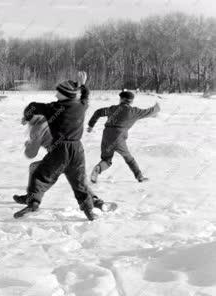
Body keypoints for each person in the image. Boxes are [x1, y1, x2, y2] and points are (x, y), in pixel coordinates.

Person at [14, 71, 96, 220]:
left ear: (64, 94)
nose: (55, 94)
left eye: (58, 92)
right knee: (78, 182)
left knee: (40, 175)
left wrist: (27, 117)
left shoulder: (53, 108)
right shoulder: (81, 106)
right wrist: (82, 85)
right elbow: (85, 97)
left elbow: (32, 106)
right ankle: (89, 210)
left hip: (60, 150)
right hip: (77, 150)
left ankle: (33, 203)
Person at [13, 114, 114, 212]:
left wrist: (28, 145)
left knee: (34, 167)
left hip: (58, 158)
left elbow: (31, 154)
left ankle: (31, 197)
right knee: (79, 180)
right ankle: (97, 202)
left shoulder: (36, 130)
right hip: (76, 151)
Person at [87, 90, 160, 183]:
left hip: (106, 135)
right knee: (129, 158)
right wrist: (157, 107)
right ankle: (140, 177)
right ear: (131, 101)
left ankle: (98, 168)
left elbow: (98, 112)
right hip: (118, 136)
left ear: (121, 99)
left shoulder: (112, 109)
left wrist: (90, 125)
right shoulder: (134, 111)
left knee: (106, 159)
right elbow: (149, 112)